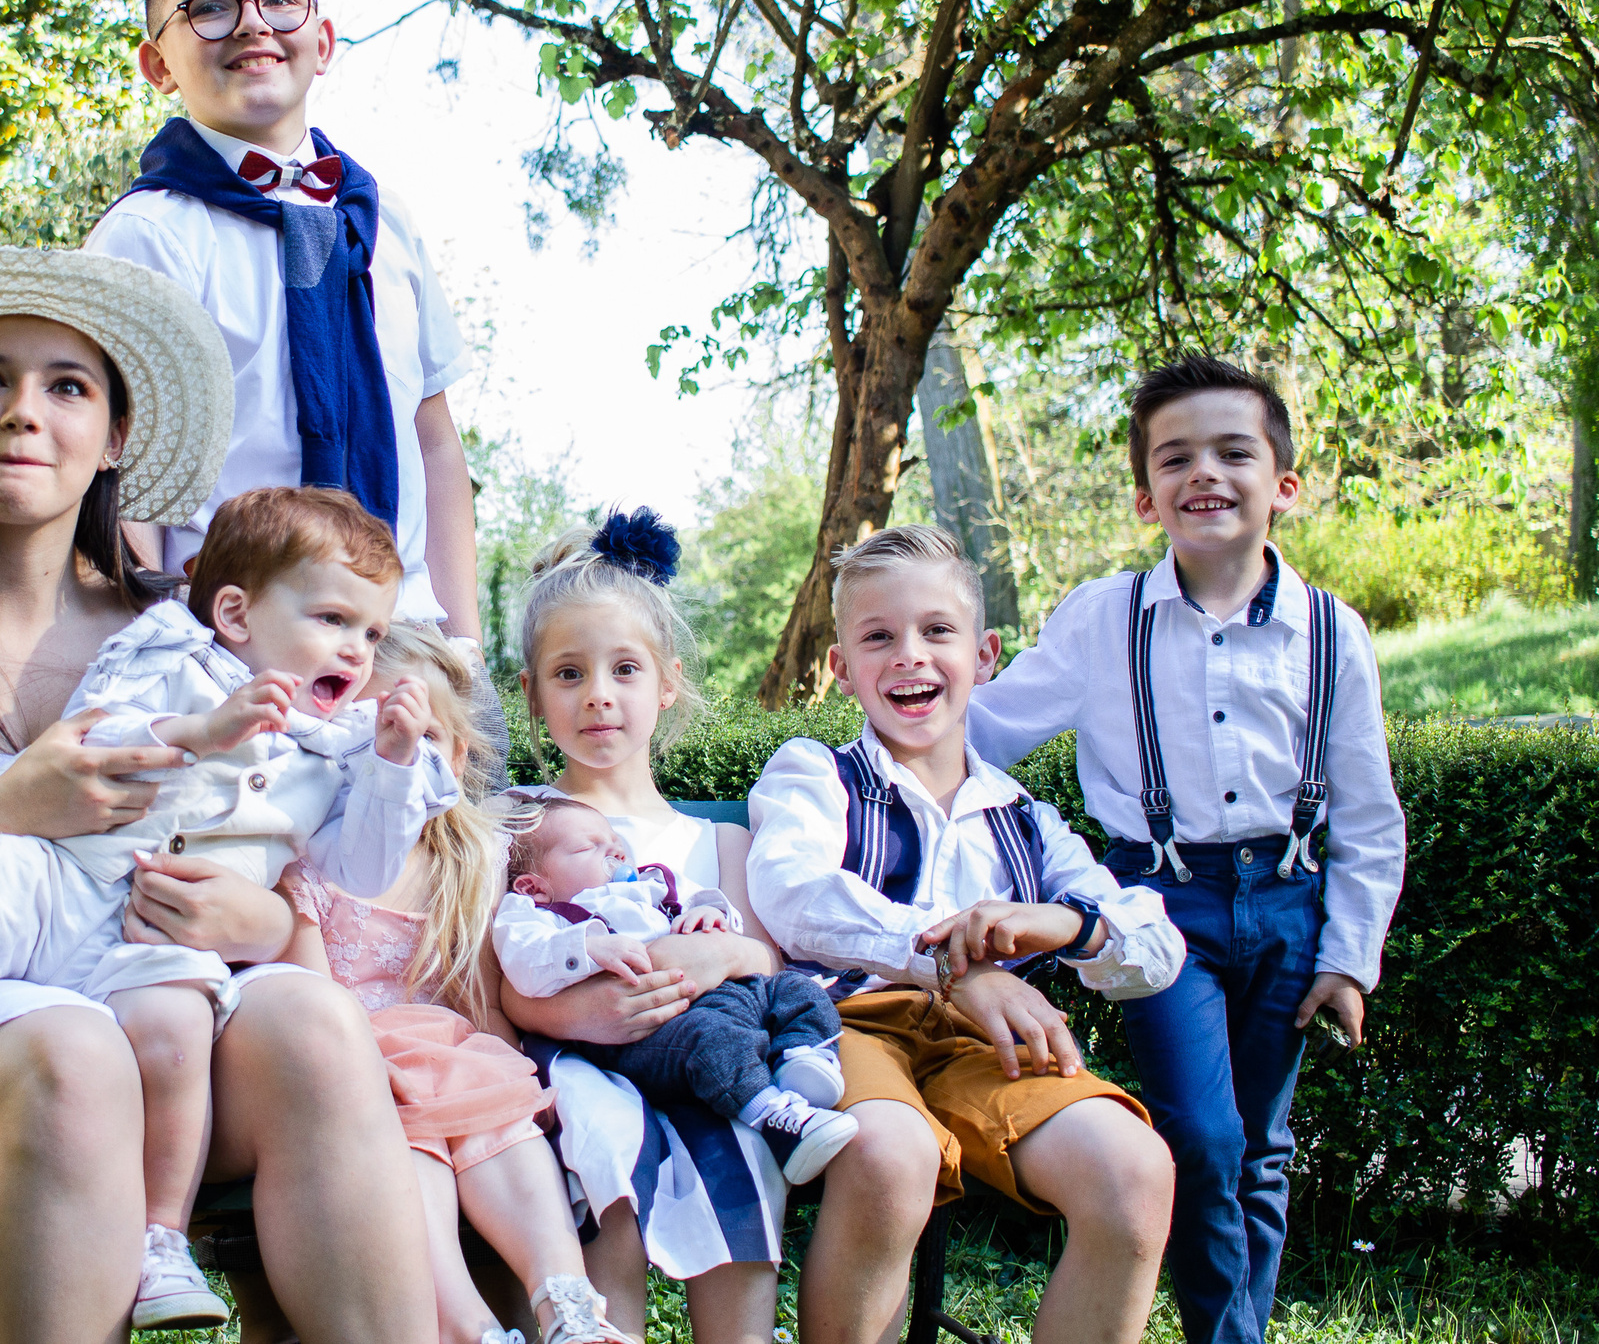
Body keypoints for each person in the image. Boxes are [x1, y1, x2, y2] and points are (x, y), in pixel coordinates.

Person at [0, 245, 435, 1343]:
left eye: (67, 385)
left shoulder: (190, 631)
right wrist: (12, 801)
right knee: (75, 1052)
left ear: (114, 434)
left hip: (162, 1017)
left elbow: (291, 859)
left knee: (311, 1019)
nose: (24, 411)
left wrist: (261, 919)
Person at [967, 356, 1403, 1344]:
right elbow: (983, 733)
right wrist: (896, 710)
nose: (1203, 471)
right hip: (1153, 910)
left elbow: (1368, 815)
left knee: (1259, 1147)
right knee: (1202, 1139)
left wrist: (1346, 955)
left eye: (1231, 450)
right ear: (1144, 494)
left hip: (1289, 905)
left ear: (1283, 483)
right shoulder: (1102, 619)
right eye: (1176, 456)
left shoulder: (1332, 632)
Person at [747, 525, 1183, 1344]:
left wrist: (1068, 924)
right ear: (842, 668)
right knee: (890, 1155)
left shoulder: (1026, 819)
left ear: (984, 655)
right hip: (847, 1027)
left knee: (1135, 1170)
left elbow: (1156, 951)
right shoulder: (817, 774)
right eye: (878, 637)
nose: (909, 655)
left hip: (985, 1051)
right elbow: (792, 892)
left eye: (937, 631)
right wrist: (954, 966)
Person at [84, 0, 480, 639]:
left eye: (279, 0)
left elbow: (434, 440)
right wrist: (151, 658)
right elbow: (114, 471)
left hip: (406, 639)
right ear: (159, 66)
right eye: (208, 8)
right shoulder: (146, 237)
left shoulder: (387, 222)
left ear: (321, 41)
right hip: (235, 643)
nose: (251, 25)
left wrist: (464, 649)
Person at [276, 623, 634, 1344]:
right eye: (372, 733)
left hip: (451, 1061)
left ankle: (567, 1305)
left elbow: (479, 995)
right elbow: (308, 1001)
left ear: (459, 754)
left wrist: (521, 1079)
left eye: (423, 739)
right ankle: (471, 1329)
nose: (398, 757)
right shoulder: (303, 867)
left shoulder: (466, 860)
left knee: (502, 1126)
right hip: (360, 1076)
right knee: (409, 1158)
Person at [495, 509, 793, 1344]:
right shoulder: (515, 826)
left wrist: (710, 957)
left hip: (702, 1062)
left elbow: (764, 958)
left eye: (625, 669)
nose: (598, 694)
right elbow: (489, 975)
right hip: (565, 1077)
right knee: (604, 1194)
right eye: (568, 673)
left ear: (666, 682)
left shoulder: (718, 839)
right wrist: (564, 1014)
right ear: (530, 692)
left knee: (744, 1163)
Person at [495, 795, 860, 1183]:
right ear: (534, 886)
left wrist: (710, 915)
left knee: (795, 988)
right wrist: (585, 948)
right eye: (589, 847)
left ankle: (802, 1061)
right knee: (712, 1040)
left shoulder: (655, 883)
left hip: (722, 991)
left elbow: (710, 905)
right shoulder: (538, 914)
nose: (615, 851)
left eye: (615, 841)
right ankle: (774, 1117)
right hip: (647, 1030)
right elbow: (522, 960)